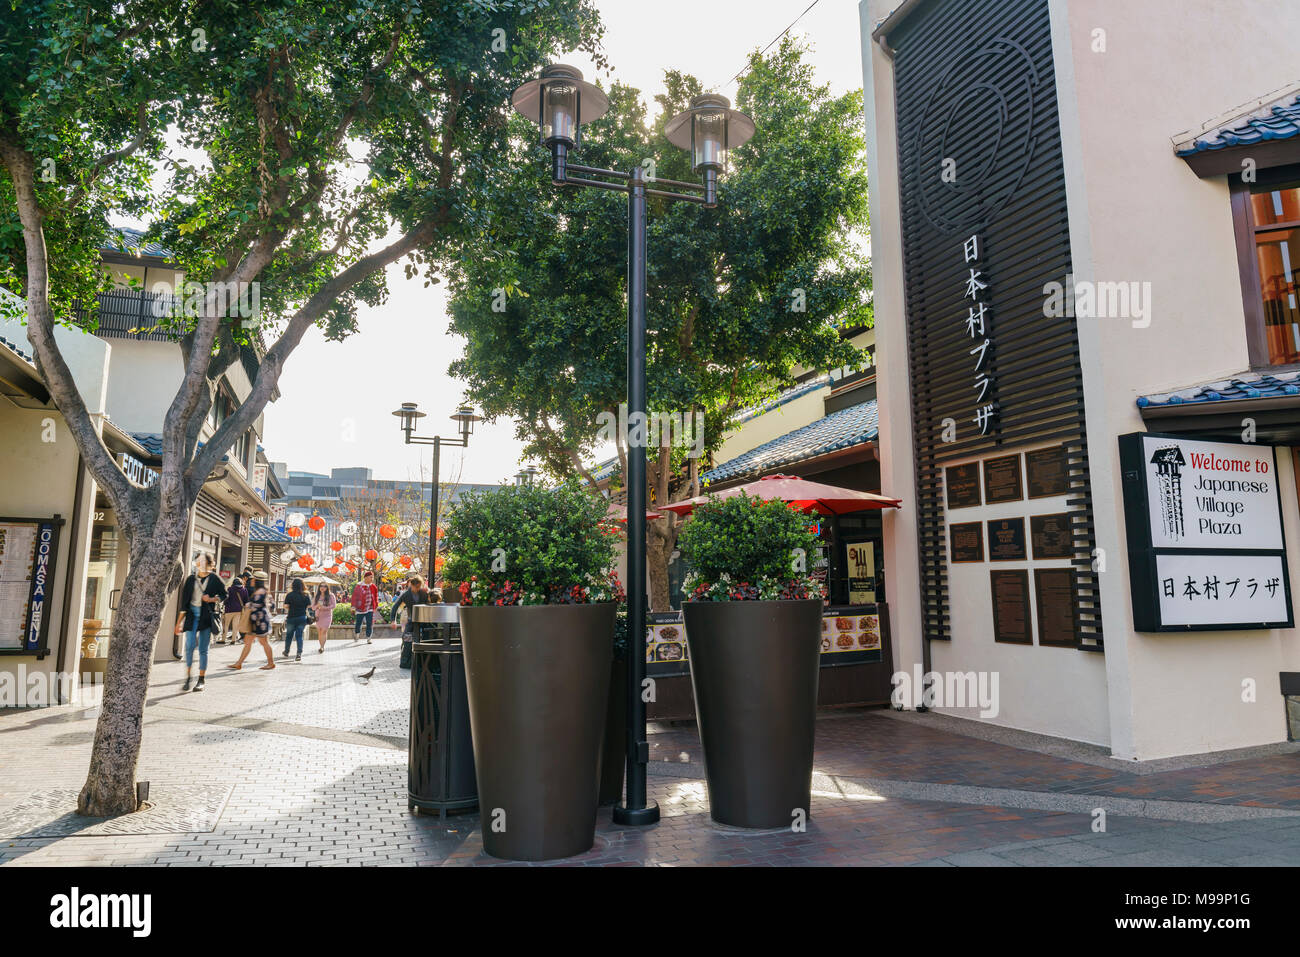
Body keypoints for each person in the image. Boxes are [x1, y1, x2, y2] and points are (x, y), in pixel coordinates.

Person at [175, 553, 227, 692]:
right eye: (198, 560)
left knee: (203, 650)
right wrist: (179, 623)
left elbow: (224, 594)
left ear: (210, 564)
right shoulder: (191, 579)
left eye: (203, 561)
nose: (200, 563)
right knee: (189, 647)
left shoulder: (215, 579)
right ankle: (187, 677)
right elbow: (184, 603)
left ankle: (201, 679)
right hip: (192, 616)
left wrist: (211, 599)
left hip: (206, 617)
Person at [228, 579, 276, 671]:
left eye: (254, 579)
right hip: (256, 622)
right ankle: (239, 663)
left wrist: (248, 605)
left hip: (259, 622)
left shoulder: (261, 591)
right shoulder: (264, 591)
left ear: (257, 581)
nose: (252, 581)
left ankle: (271, 663)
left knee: (263, 642)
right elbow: (272, 605)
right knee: (248, 642)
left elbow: (256, 605)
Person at [282, 578, 312, 661]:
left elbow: (286, 606)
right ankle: (299, 653)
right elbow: (309, 606)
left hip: (291, 617)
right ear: (302, 585)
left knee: (289, 636)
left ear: (293, 585)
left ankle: (286, 651)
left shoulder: (289, 595)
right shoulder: (306, 595)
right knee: (299, 636)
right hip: (302, 617)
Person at [218, 572, 249, 645]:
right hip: (238, 610)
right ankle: (233, 640)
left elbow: (226, 598)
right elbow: (246, 600)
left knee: (226, 625)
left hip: (229, 609)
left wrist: (224, 604)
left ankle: (223, 639)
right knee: (235, 625)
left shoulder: (230, 589)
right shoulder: (244, 590)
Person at [350, 571, 379, 643]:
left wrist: (376, 606)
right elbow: (354, 597)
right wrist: (353, 606)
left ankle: (369, 638)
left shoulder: (373, 586)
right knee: (358, 623)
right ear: (366, 578)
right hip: (360, 608)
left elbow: (375, 597)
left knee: (370, 623)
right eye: (370, 577)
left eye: (372, 577)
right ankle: (357, 634)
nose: (372, 578)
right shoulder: (359, 586)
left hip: (370, 608)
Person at [310, 582, 337, 654]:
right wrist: (318, 606)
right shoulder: (317, 596)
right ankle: (321, 645)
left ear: (327, 588)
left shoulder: (331, 595)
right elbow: (312, 607)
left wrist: (324, 608)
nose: (322, 587)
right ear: (319, 587)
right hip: (318, 616)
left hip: (327, 616)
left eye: (325, 586)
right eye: (321, 586)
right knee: (319, 632)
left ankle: (322, 647)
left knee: (324, 631)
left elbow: (334, 606)